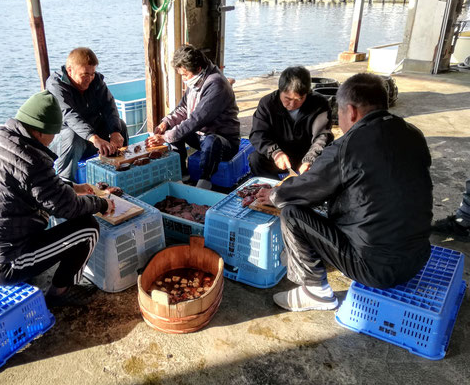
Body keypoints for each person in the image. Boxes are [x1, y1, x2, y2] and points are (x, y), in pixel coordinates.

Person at [254, 73, 433, 312]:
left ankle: (316, 293)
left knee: (292, 212)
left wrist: (275, 195)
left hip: (374, 268)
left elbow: (309, 188)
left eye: (339, 113)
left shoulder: (349, 145)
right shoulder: (413, 133)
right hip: (418, 258)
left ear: (351, 111)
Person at [0, 91, 115, 304]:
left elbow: (26, 184)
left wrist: (74, 187)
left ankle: (30, 270)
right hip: (1, 264)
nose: (52, 141)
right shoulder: (32, 159)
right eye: (53, 134)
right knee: (87, 228)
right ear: (40, 132)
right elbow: (69, 208)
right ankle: (60, 292)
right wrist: (101, 203)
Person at [146, 44, 240, 189]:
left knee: (211, 140)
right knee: (173, 130)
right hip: (200, 136)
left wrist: (165, 138)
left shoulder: (216, 84)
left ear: (198, 69)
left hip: (223, 141)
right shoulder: (196, 80)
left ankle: (204, 181)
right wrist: (166, 123)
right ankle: (183, 174)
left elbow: (196, 120)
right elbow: (183, 108)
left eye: (185, 75)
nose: (183, 79)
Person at [46, 47, 128, 181]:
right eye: (84, 75)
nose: (89, 79)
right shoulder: (56, 85)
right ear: (70, 70)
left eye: (92, 74)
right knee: (73, 136)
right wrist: (94, 138)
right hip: (65, 139)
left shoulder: (95, 80)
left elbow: (109, 105)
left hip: (91, 134)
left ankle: (120, 169)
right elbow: (69, 115)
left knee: (121, 126)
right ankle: (67, 183)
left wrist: (115, 131)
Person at [248, 66, 333, 179]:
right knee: (255, 159)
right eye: (287, 98)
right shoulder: (267, 103)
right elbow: (258, 134)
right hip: (280, 155)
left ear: (307, 93)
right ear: (280, 90)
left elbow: (322, 136)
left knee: (329, 162)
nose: (292, 105)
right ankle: (272, 189)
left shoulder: (319, 104)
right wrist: (275, 152)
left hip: (308, 155)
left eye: (299, 99)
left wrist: (310, 159)